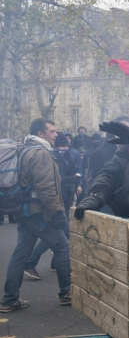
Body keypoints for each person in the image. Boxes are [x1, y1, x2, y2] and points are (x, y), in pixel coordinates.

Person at [1, 119, 71, 312]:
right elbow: (46, 187)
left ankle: (9, 300)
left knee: (20, 254)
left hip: (23, 211)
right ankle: (67, 293)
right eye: (52, 131)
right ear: (41, 134)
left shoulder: (24, 149)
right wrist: (57, 212)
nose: (56, 134)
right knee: (63, 247)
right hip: (37, 212)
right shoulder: (40, 153)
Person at [23, 132, 80, 279]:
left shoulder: (65, 155)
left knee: (55, 237)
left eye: (67, 145)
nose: (64, 148)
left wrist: (68, 160)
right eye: (62, 145)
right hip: (55, 202)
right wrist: (71, 180)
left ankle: (46, 264)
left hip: (62, 199)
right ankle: (64, 287)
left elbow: (72, 171)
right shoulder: (49, 155)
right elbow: (54, 181)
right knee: (59, 238)